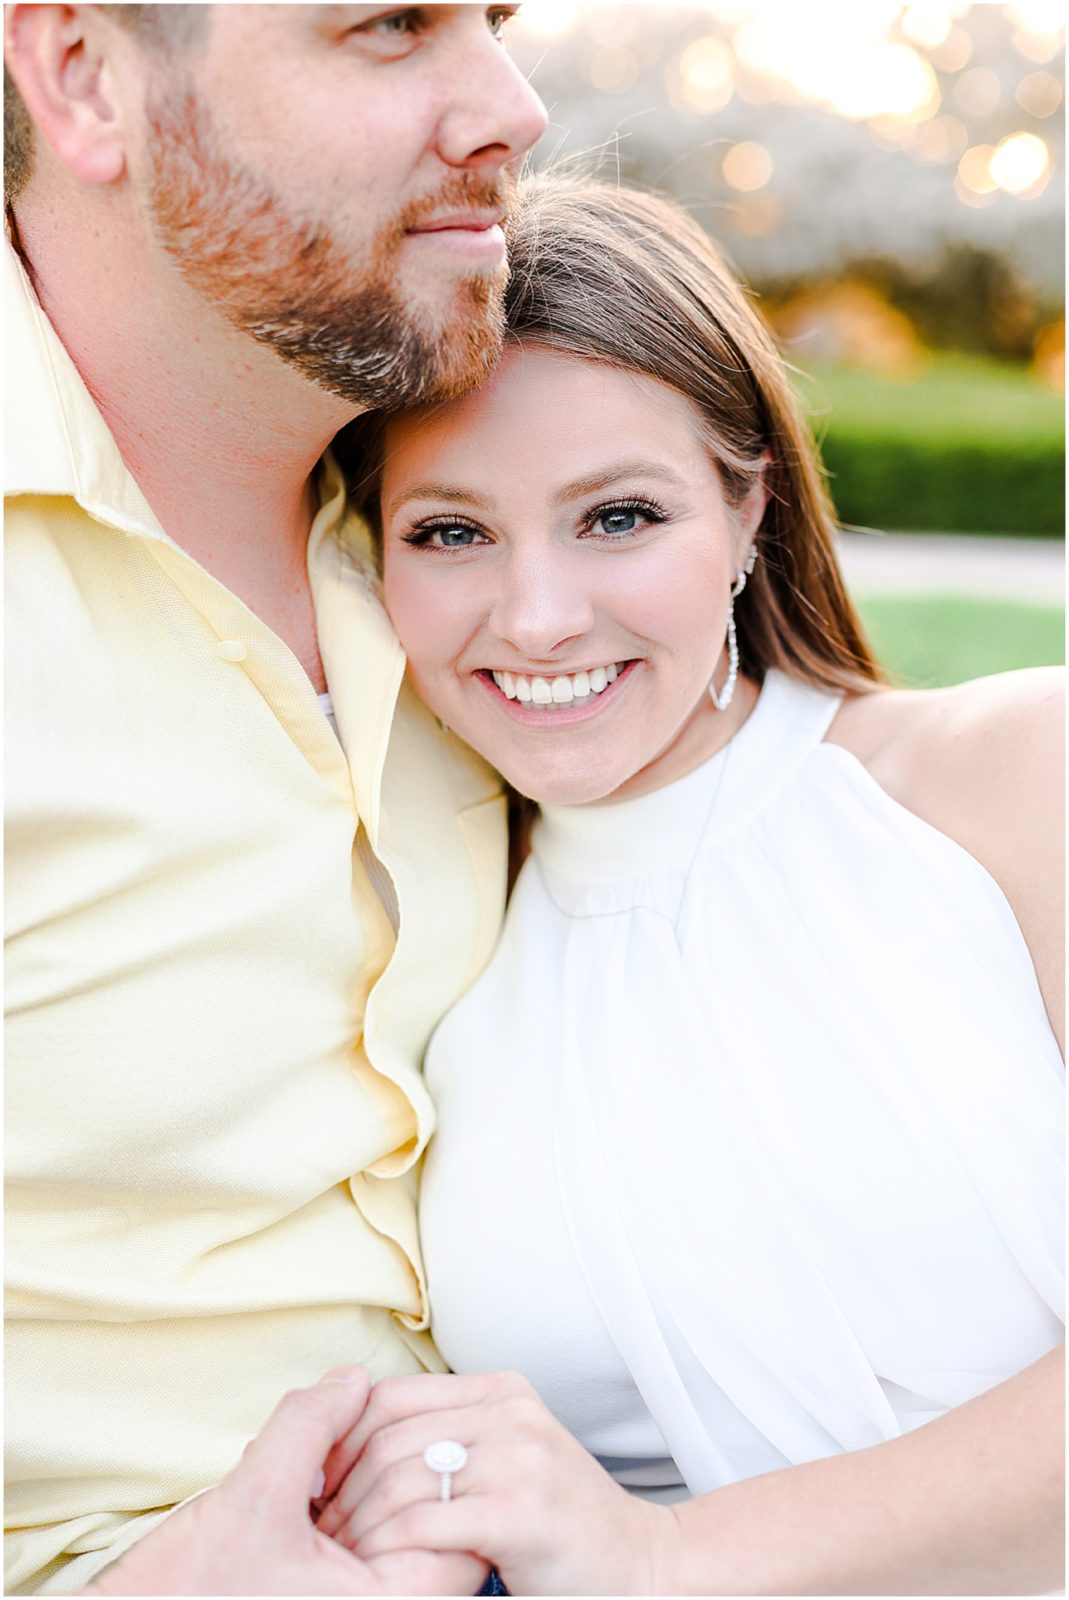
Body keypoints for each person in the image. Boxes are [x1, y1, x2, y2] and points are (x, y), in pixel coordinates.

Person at [316, 174, 1065, 1593]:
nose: (537, 616)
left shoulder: (1015, 781)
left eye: (617, 518)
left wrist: (669, 1556)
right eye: (451, 532)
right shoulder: (433, 963)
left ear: (746, 510)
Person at [4, 4, 545, 1593]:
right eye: (392, 26)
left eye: (504, 22)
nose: (509, 106)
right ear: (85, 77)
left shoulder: (508, 532)